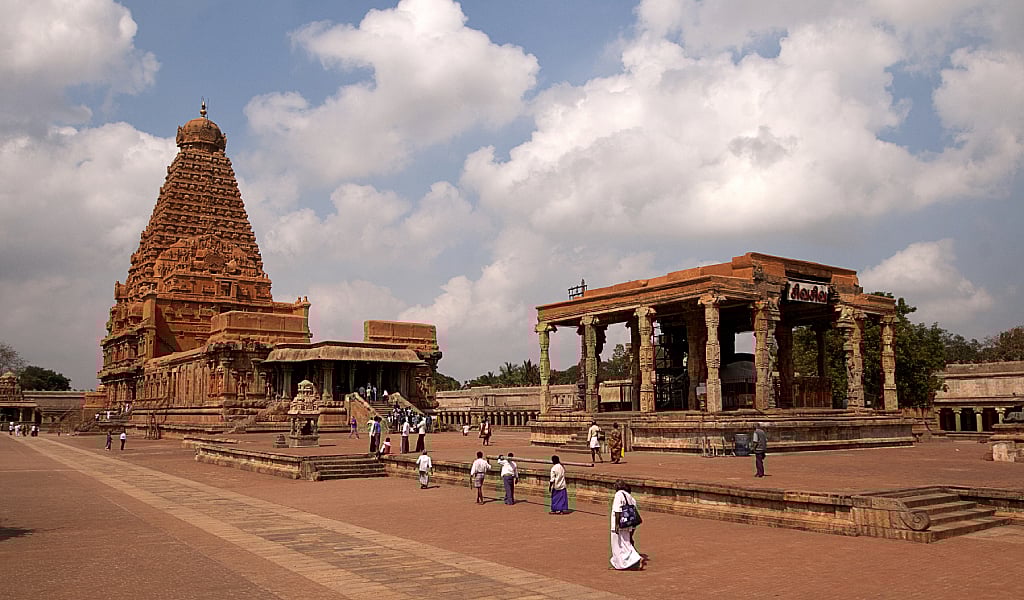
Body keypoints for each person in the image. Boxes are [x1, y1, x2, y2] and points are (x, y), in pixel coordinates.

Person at [610, 480, 644, 570]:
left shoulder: (619, 495)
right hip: (628, 524)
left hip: (619, 523)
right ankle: (626, 562)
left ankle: (634, 559)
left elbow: (617, 510)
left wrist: (617, 524)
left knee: (617, 545)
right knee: (626, 544)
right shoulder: (630, 497)